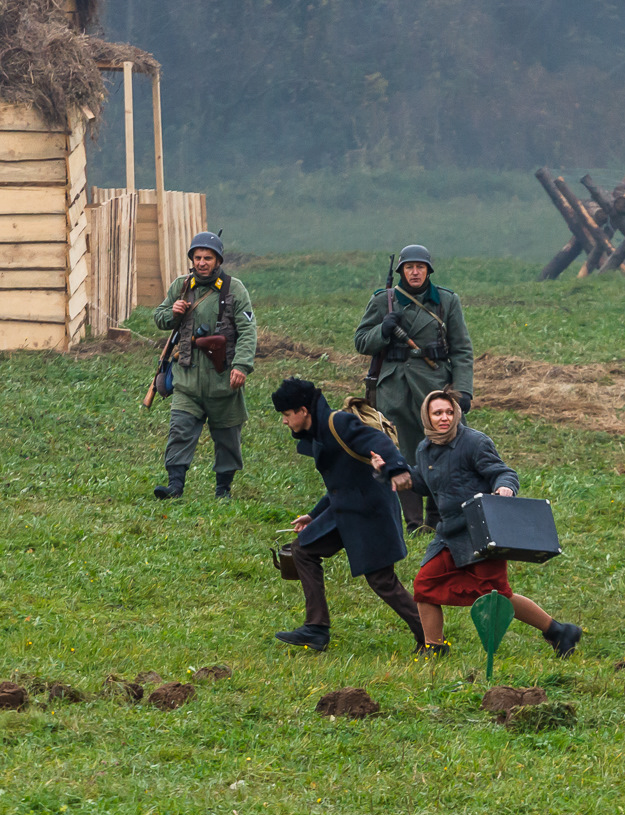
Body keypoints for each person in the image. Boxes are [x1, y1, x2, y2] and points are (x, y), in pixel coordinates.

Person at [371, 389, 581, 658]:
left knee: (497, 596)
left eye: (449, 412)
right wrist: (388, 470)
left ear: (456, 414)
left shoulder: (474, 442)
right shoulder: (425, 449)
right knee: (425, 586)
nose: (444, 418)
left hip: (480, 531)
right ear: (427, 417)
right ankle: (434, 648)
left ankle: (559, 631)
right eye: (437, 413)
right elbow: (425, 484)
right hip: (448, 533)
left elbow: (504, 473)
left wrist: (505, 488)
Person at [270, 378, 425, 653]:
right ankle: (316, 629)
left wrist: (398, 468)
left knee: (382, 581)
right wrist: (313, 515)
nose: (284, 421)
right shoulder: (318, 431)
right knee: (302, 549)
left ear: (303, 410)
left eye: (286, 414)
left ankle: (431, 638)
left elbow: (376, 440)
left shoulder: (337, 423)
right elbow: (342, 483)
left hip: (370, 513)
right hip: (346, 510)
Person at [354, 244, 474, 533]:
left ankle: (436, 518)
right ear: (402, 271)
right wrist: (383, 330)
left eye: (420, 267)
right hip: (394, 386)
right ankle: (412, 521)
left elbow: (461, 350)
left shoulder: (446, 301)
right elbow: (361, 341)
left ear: (429, 270)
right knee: (399, 450)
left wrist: (464, 389)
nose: (415, 272)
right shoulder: (385, 301)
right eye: (409, 267)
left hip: (434, 385)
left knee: (441, 448)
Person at [152, 231, 257, 499]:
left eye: (207, 258)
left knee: (227, 438)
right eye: (197, 257)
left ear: (218, 260)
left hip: (223, 379)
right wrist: (171, 312)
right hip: (187, 378)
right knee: (180, 431)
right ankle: (175, 486)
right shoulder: (181, 286)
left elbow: (248, 330)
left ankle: (223, 490)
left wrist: (242, 366)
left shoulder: (235, 289)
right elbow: (160, 317)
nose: (202, 263)